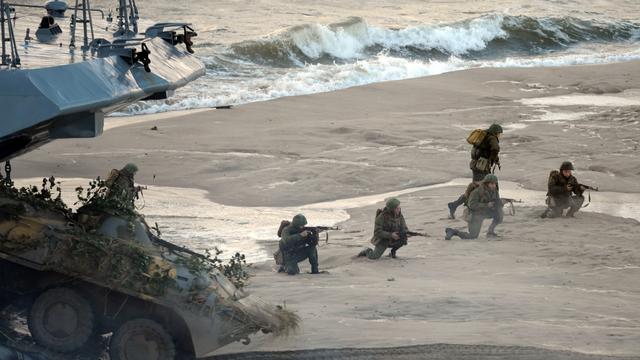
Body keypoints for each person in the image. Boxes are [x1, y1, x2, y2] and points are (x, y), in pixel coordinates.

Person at [447, 123, 503, 218]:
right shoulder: (491, 137)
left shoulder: (484, 137)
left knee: (475, 188)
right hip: (482, 166)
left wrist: (494, 158)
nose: (500, 136)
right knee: (476, 189)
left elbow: (486, 151)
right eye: (499, 134)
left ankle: (455, 205)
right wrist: (492, 159)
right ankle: (460, 206)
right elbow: (495, 148)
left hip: (476, 165)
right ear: (496, 132)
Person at [445, 174, 503, 240]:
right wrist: (486, 205)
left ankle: (490, 232)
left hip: (484, 212)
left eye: (495, 184)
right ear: (486, 184)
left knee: (499, 213)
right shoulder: (477, 192)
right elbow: (471, 205)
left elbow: (496, 201)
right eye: (492, 184)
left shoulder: (494, 191)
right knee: (472, 236)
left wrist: (499, 204)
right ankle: (453, 231)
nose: (494, 186)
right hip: (474, 214)